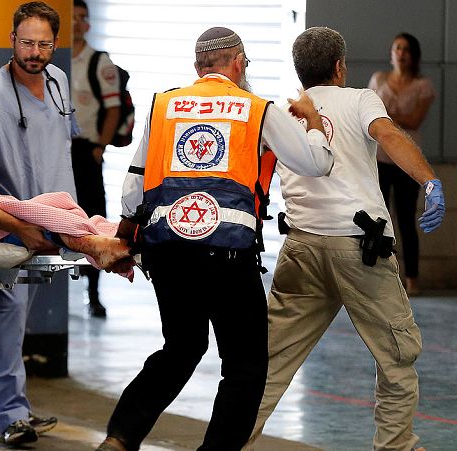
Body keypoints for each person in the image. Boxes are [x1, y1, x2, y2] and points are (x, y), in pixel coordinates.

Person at [95, 26, 335, 451]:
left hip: (167, 251)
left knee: (181, 348)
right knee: (245, 366)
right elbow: (316, 163)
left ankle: (120, 437)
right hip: (227, 253)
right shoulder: (256, 108)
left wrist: (126, 234)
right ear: (240, 63)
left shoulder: (165, 104)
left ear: (197, 68)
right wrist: (314, 121)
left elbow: (135, 179)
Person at [247, 27, 445, 451]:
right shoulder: (360, 99)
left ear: (300, 71)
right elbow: (389, 137)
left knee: (269, 362)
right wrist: (429, 181)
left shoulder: (280, 113)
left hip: (301, 248)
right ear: (339, 67)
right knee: (396, 355)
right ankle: (396, 446)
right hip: (361, 250)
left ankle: (229, 441)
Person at [0, 1, 76, 445]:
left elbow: (59, 144)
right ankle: (6, 417)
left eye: (44, 44)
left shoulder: (59, 82)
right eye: (27, 43)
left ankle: (14, 407)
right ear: (12, 40)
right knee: (8, 316)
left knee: (18, 318)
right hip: (14, 221)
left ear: (55, 45)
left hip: (57, 220)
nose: (35, 52)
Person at [368, 33, 435, 295]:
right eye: (397, 47)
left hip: (407, 162)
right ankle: (377, 276)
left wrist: (387, 113)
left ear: (413, 54)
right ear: (391, 52)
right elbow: (371, 119)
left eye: (406, 49)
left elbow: (415, 120)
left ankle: (412, 280)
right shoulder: (378, 79)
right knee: (378, 218)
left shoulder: (423, 86)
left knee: (407, 220)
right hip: (380, 158)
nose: (401, 53)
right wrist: (393, 116)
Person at [69, 0, 121, 318]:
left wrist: (100, 146)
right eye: (71, 18)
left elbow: (113, 108)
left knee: (93, 219)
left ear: (88, 24)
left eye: (81, 19)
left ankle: (94, 292)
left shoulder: (99, 62)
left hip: (86, 151)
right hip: (59, 150)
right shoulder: (55, 59)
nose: (76, 24)